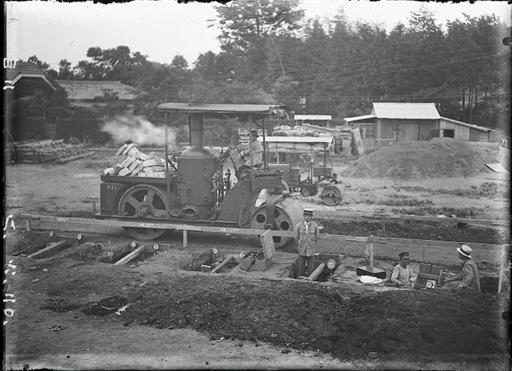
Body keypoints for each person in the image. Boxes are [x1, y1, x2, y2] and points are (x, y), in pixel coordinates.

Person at [295, 209, 319, 277]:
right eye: (306, 216)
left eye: (309, 216)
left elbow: (317, 238)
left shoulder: (315, 226)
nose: (307, 217)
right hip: (302, 249)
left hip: (311, 249)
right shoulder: (298, 226)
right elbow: (296, 238)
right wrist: (299, 246)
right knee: (301, 266)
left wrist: (313, 246)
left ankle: (310, 278)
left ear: (311, 217)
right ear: (303, 216)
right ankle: (300, 277)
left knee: (310, 267)